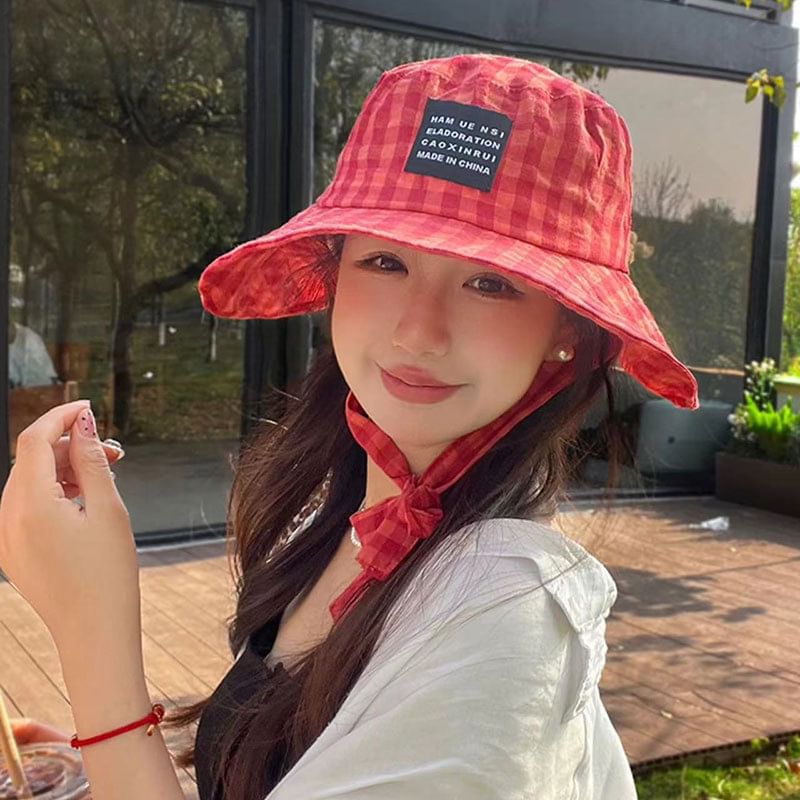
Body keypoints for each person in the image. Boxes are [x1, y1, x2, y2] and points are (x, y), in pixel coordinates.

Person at [1, 54, 699, 800]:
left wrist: (92, 636)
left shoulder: (506, 613)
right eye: (385, 262)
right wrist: (108, 762)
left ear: (568, 328)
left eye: (489, 283)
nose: (418, 332)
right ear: (336, 275)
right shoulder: (345, 519)